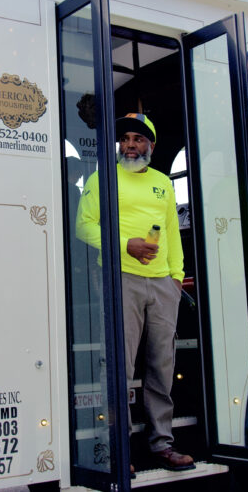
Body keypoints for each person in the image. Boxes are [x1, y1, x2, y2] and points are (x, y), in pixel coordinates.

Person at [75, 113, 194, 472]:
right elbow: (84, 226)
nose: (130, 145)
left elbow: (171, 232)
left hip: (162, 285)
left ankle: (162, 444)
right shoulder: (103, 178)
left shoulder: (163, 182)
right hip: (119, 277)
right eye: (125, 138)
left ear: (151, 146)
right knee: (118, 366)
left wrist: (176, 278)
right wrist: (126, 245)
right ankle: (117, 447)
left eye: (138, 139)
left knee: (162, 366)